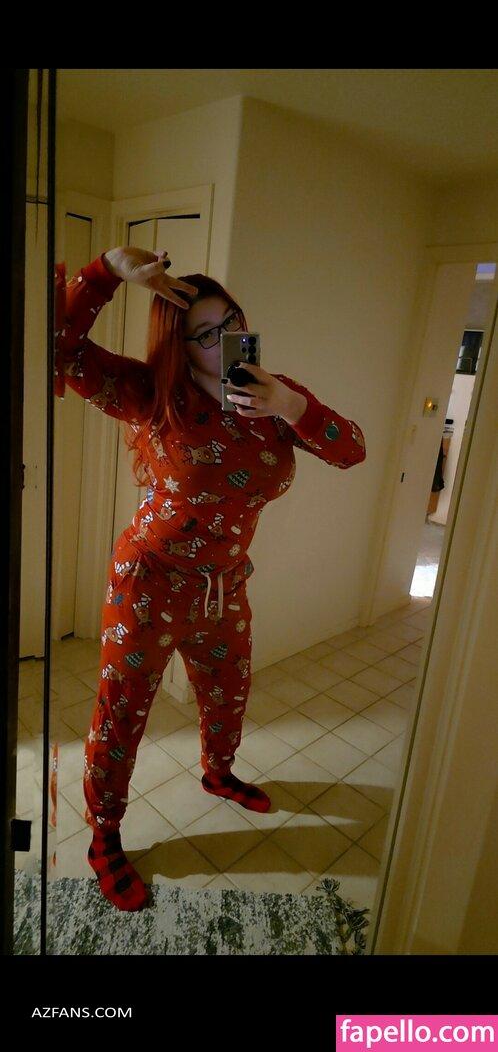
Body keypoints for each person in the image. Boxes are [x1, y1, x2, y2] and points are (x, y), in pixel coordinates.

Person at [54, 245, 367, 911]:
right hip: (148, 584)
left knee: (228, 693)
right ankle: (104, 835)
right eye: (205, 334)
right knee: (121, 713)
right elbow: (62, 349)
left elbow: (351, 451)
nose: (224, 341)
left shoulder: (274, 395)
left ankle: (218, 774)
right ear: (179, 345)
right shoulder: (150, 395)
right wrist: (107, 271)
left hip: (224, 585)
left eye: (232, 324)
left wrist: (291, 404)